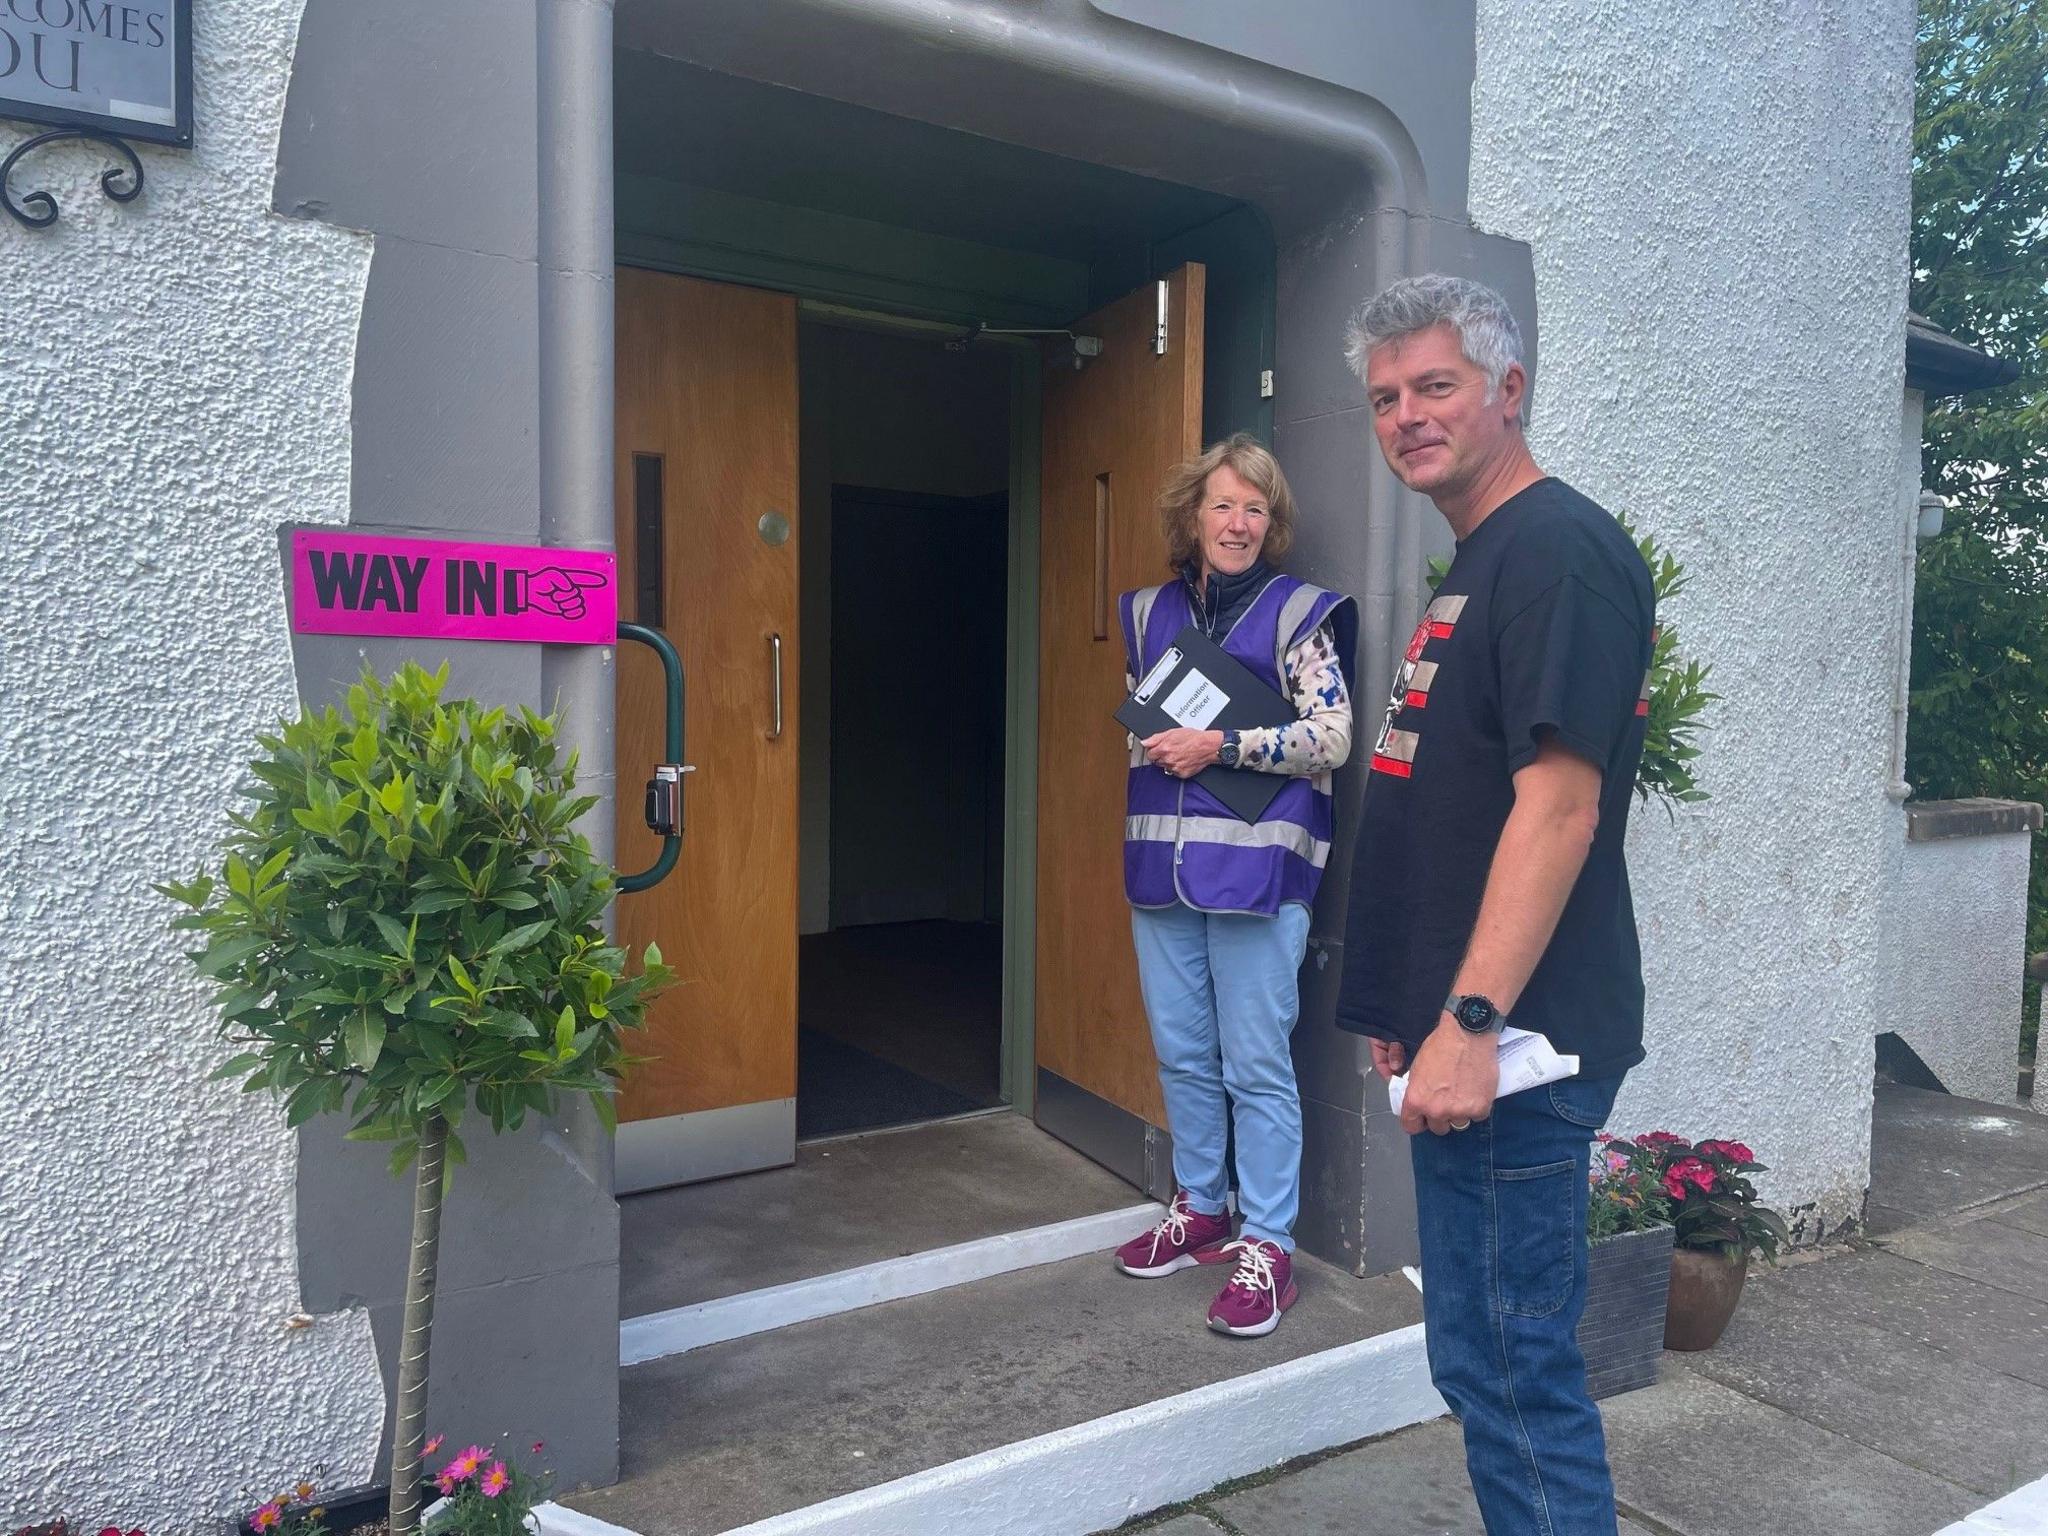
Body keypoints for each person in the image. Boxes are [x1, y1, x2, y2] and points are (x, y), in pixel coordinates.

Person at [1334, 275, 1654, 1532]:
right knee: (1480, 1361)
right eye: (1384, 398)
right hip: (1471, 1031)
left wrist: (1465, 1020)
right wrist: (1412, 1006)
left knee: (1512, 1374)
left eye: (1434, 386)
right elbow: (1456, 803)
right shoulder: (1483, 558)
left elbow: (1557, 810)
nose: (1406, 415)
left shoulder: (1556, 553)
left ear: (1506, 391)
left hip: (1517, 1045)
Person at [1108, 433, 1358, 1338]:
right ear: (1192, 514)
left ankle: (1269, 1245)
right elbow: (1139, 727)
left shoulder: (1301, 616)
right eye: (1222, 505)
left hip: (1259, 876)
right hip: (1162, 874)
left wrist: (1223, 745)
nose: (1239, 523)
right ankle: (1200, 1206)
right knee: (1181, 1052)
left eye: (1255, 508)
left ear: (1273, 522)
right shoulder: (1145, 615)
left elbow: (1331, 735)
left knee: (1256, 1064)